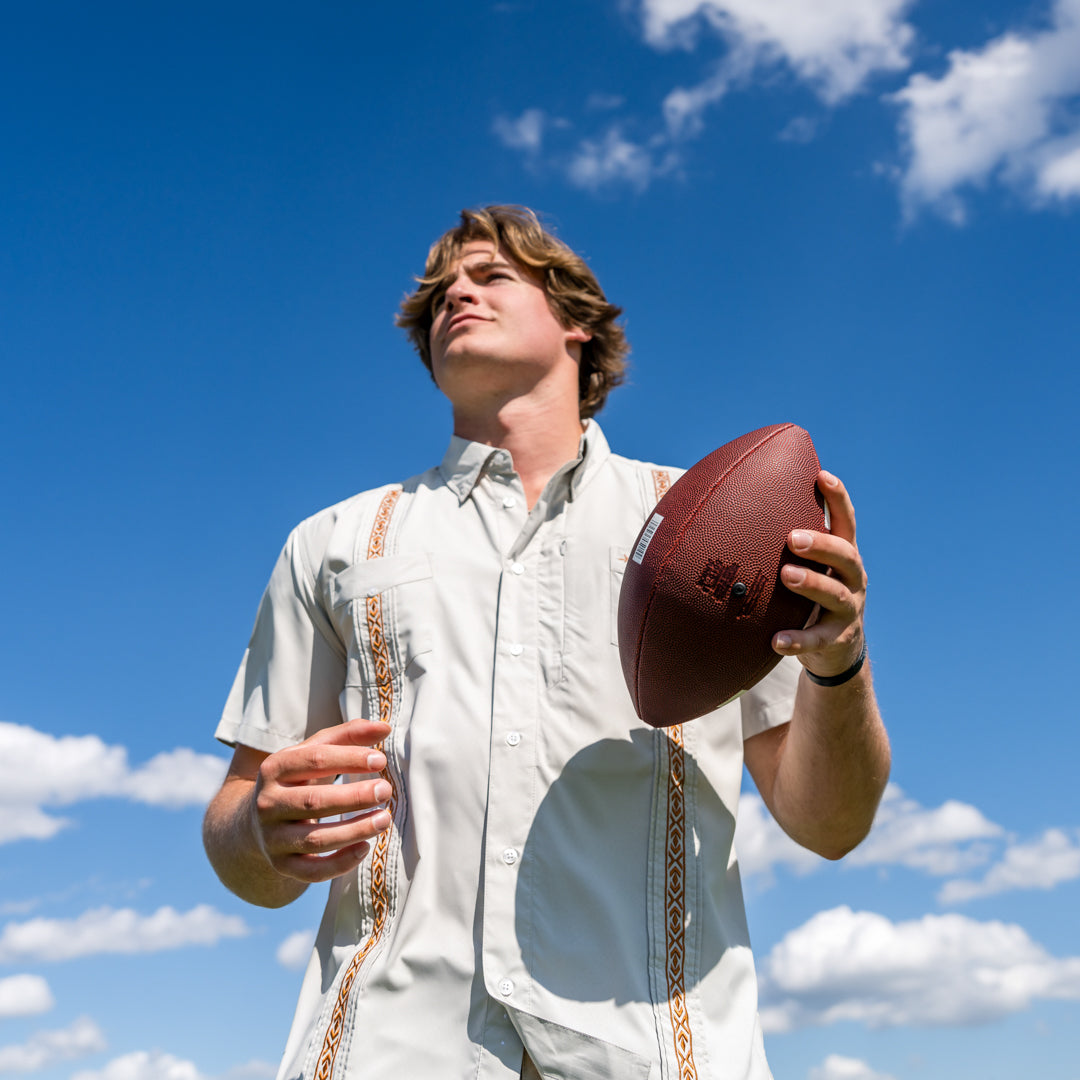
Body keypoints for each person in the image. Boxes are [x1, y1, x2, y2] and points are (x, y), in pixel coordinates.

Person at [203, 205, 890, 1080]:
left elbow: (829, 824)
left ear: (577, 324)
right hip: (388, 1052)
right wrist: (262, 831)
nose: (455, 291)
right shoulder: (333, 544)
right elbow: (239, 846)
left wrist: (840, 663)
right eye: (439, 292)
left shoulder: (709, 534)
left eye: (490, 276)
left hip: (658, 1057)